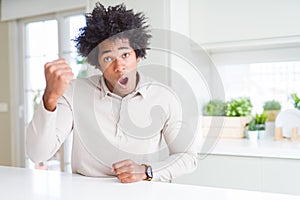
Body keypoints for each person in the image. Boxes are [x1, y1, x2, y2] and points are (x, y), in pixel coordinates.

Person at [26, 2, 197, 183]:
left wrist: (147, 171)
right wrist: (49, 98)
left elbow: (187, 157)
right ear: (97, 63)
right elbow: (37, 154)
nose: (119, 66)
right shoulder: (74, 92)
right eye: (108, 58)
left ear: (137, 55)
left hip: (141, 192)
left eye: (125, 55)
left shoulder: (164, 97)